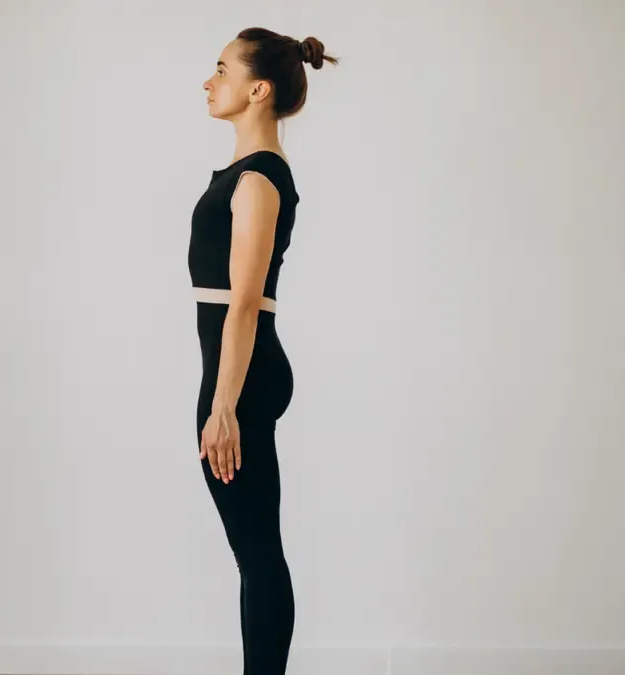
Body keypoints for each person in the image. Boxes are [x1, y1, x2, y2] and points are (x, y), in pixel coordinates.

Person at [189, 28, 337, 675]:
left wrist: (223, 406)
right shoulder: (247, 174)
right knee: (255, 553)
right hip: (239, 374)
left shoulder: (258, 181)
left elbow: (245, 302)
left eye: (222, 70)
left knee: (258, 555)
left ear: (258, 90)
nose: (208, 81)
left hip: (242, 379)